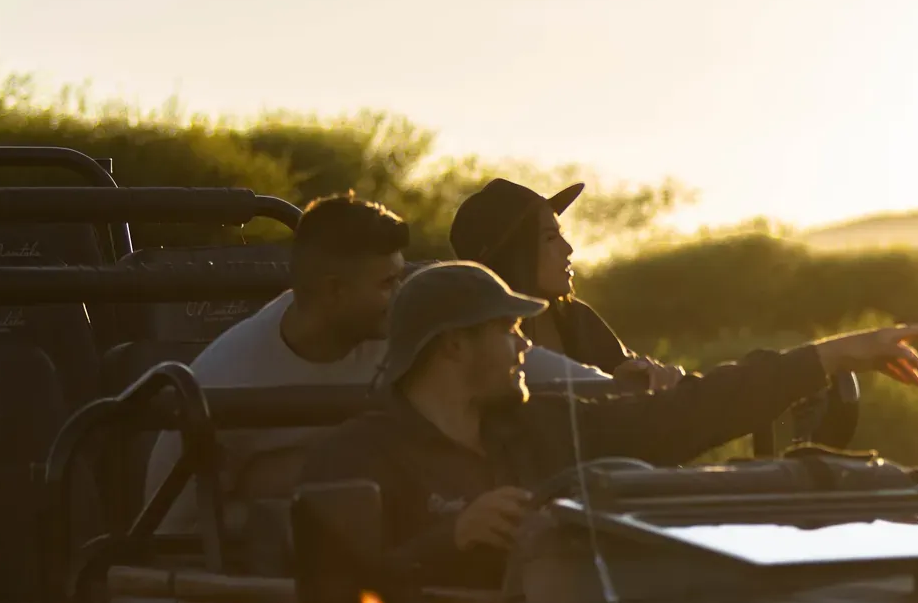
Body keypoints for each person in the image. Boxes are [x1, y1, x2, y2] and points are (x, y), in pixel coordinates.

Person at [295, 260, 918, 602]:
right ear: (453, 348)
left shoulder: (546, 423)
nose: (524, 345)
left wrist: (832, 356)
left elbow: (689, 412)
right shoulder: (355, 458)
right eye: (507, 330)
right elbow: (323, 601)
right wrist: (450, 539)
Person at [142, 193, 605, 533]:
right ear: (334, 291)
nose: (400, 295)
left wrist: (621, 388)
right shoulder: (222, 379)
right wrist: (292, 509)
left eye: (401, 277)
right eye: (386, 284)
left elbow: (522, 361)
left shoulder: (401, 327)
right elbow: (169, 530)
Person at [451, 177, 683, 392]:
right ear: (515, 255)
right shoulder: (474, 340)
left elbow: (626, 379)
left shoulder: (578, 319)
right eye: (550, 238)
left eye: (562, 235)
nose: (568, 248)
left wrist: (650, 377)